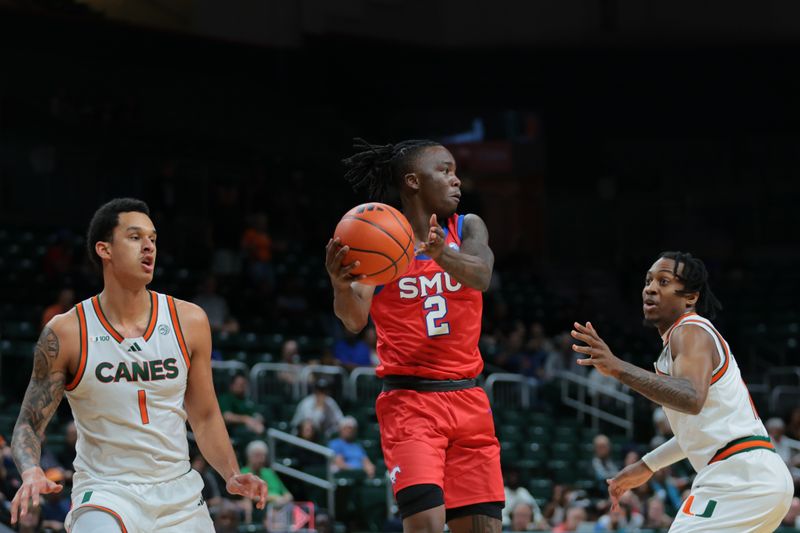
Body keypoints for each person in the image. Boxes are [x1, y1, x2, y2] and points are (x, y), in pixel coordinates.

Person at [9, 198, 266, 531]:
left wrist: (231, 474)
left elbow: (204, 415)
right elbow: (28, 423)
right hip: (106, 490)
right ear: (104, 249)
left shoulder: (188, 320)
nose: (148, 247)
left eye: (153, 239)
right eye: (135, 237)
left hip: (179, 495)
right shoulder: (67, 332)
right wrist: (31, 470)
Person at [327, 139, 503, 533]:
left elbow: (481, 275)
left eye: (455, 170)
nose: (456, 179)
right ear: (413, 181)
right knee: (425, 524)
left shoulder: (468, 226)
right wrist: (341, 286)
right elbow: (354, 320)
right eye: (444, 170)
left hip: (469, 398)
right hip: (411, 402)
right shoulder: (380, 236)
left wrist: (443, 256)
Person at [571, 251, 793, 532]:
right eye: (648, 280)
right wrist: (646, 465)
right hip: (754, 475)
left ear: (691, 297)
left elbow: (691, 398)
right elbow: (700, 431)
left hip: (738, 478)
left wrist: (617, 368)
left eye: (664, 281)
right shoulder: (681, 342)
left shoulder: (690, 331)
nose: (650, 288)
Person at [241, 440, 293, 507]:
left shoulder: (269, 472)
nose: (261, 459)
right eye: (257, 455)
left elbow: (288, 495)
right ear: (249, 457)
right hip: (263, 507)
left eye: (263, 456)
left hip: (281, 506)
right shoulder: (244, 473)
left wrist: (283, 500)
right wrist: (274, 499)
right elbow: (251, 496)